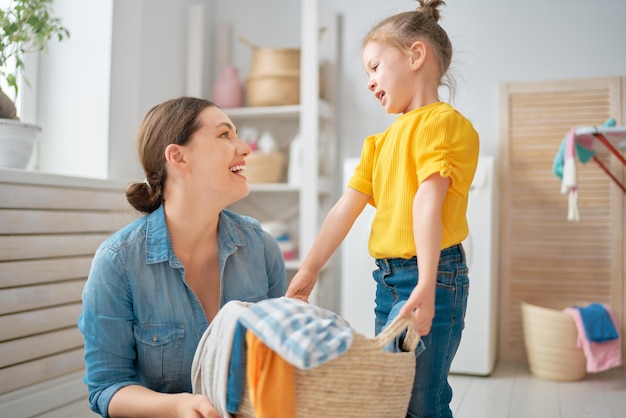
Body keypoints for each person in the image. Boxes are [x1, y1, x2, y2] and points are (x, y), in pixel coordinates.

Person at [286, 1, 479, 416]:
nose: (370, 82)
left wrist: (426, 283)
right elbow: (344, 209)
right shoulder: (379, 144)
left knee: (421, 401)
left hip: (435, 275)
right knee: (391, 392)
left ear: (415, 55)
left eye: (375, 67)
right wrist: (309, 268)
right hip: (389, 279)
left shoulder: (442, 124)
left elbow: (427, 202)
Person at [78, 97, 287, 418]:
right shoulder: (117, 263)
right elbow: (107, 388)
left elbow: (279, 363)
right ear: (178, 156)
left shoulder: (262, 248)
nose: (245, 148)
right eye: (224, 135)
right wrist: (178, 406)